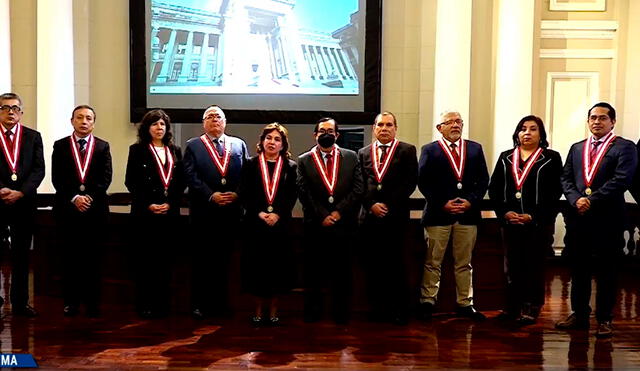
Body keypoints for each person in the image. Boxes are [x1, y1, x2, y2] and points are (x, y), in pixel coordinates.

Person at [556, 102, 637, 338]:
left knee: (607, 271)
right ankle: (579, 314)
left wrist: (592, 199)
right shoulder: (577, 148)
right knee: (578, 269)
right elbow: (566, 178)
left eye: (602, 118)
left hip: (608, 219)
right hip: (579, 219)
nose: (596, 122)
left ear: (612, 121)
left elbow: (622, 179)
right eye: (593, 118)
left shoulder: (625, 147)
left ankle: (604, 319)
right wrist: (575, 199)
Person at [488, 115, 562, 324]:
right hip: (511, 223)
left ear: (541, 134)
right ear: (517, 133)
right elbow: (494, 189)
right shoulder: (505, 157)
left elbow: (555, 191)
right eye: (523, 129)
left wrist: (534, 215)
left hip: (537, 224)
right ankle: (511, 307)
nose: (527, 133)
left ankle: (531, 307)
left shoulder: (551, 158)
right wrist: (504, 213)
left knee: (534, 266)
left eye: (533, 129)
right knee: (512, 267)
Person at [417, 110, 489, 321]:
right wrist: (442, 204)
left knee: (464, 263)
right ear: (439, 128)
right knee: (432, 262)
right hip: (438, 216)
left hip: (468, 215)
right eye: (450, 122)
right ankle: (428, 301)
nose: (455, 125)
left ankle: (465, 303)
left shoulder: (475, 149)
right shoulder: (429, 150)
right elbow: (424, 182)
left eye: (459, 121)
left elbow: (483, 179)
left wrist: (471, 201)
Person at [183, 105, 249, 319]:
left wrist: (237, 194)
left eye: (218, 117)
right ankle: (199, 305)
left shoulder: (238, 144)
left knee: (225, 261)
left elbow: (248, 176)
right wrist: (211, 195)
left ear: (225, 122)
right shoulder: (193, 145)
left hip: (230, 214)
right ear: (203, 123)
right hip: (204, 213)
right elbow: (190, 177)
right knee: (202, 262)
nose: (214, 120)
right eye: (209, 117)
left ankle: (222, 305)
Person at [297, 117, 363, 324]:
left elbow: (358, 189)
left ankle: (341, 313)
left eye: (330, 131)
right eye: (322, 131)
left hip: (344, 225)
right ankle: (313, 312)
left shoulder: (352, 157)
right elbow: (303, 192)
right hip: (315, 226)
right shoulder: (304, 160)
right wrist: (323, 215)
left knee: (342, 272)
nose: (326, 134)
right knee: (313, 272)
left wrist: (338, 213)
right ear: (315, 135)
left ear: (337, 135)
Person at [52, 105, 113, 317]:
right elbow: (57, 178)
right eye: (80, 118)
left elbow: (105, 178)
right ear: (72, 121)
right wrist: (75, 197)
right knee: (70, 259)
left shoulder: (103, 146)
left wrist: (89, 198)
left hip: (95, 212)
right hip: (69, 211)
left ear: (93, 123)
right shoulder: (60, 146)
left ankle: (93, 303)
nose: (84, 121)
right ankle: (71, 302)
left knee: (93, 260)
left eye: (88, 118)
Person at [358, 111, 418, 325]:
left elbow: (410, 182)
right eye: (380, 125)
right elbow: (360, 184)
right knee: (373, 266)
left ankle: (398, 310)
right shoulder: (363, 152)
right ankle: (376, 309)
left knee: (396, 266)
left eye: (389, 125)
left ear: (395, 128)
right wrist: (371, 204)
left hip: (396, 218)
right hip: (370, 219)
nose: (384, 129)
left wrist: (388, 204)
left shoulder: (407, 150)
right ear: (374, 129)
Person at [125, 109, 185, 318]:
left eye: (162, 125)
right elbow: (131, 181)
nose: (159, 128)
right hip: (145, 215)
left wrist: (170, 203)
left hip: (169, 215)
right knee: (145, 262)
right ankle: (145, 304)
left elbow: (180, 182)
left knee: (166, 261)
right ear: (146, 128)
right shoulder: (137, 150)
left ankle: (163, 304)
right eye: (154, 124)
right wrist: (148, 204)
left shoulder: (175, 150)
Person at [238, 123, 297, 326]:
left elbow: (291, 195)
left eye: (277, 139)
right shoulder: (250, 164)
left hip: (280, 227)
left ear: (283, 144)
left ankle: (273, 309)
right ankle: (257, 308)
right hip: (256, 225)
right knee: (257, 269)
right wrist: (260, 213)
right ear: (262, 141)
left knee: (276, 269)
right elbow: (244, 194)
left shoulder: (291, 167)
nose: (272, 142)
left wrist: (278, 214)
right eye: (269, 138)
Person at [0, 93, 45, 317]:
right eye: (5, 108)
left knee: (21, 255)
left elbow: (39, 170)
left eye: (15, 108)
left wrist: (21, 192)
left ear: (21, 112)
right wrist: (2, 189)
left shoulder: (33, 136)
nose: (11, 112)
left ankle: (20, 303)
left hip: (24, 203)